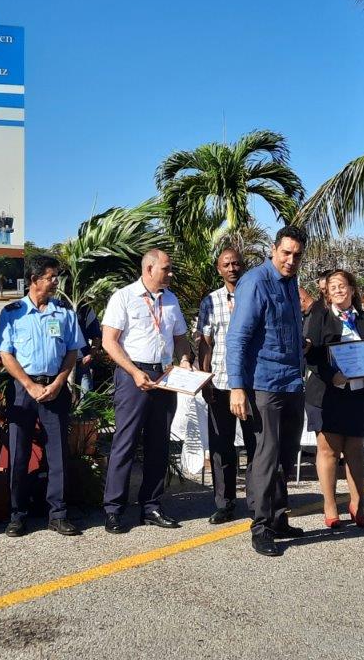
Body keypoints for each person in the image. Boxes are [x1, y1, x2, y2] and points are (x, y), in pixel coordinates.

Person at [225, 226, 308, 557]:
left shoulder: (291, 285)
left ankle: (277, 517)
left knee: (285, 456)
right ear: (274, 250)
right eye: (285, 253)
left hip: (292, 383)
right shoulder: (256, 282)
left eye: (297, 255)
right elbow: (238, 337)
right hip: (264, 384)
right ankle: (260, 527)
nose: (290, 260)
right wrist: (236, 387)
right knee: (265, 455)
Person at [100, 249, 192, 534]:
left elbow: (180, 338)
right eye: (166, 268)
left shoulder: (171, 299)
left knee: (159, 444)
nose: (171, 273)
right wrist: (134, 371)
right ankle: (114, 509)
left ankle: (151, 505)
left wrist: (186, 360)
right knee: (125, 443)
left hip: (164, 375)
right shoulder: (124, 297)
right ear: (149, 269)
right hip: (133, 375)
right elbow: (109, 341)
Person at [0, 254, 84, 537]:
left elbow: (72, 352)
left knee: (57, 455)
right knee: (18, 455)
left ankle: (57, 514)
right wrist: (28, 384)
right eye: (50, 277)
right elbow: (5, 353)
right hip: (23, 390)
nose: (56, 282)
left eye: (56, 276)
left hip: (55, 389)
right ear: (34, 280)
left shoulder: (64, 313)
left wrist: (58, 382)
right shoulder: (13, 312)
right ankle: (17, 515)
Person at [304, 269, 364, 529]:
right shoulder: (319, 316)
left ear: (353, 290)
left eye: (342, 285)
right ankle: (330, 505)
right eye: (332, 286)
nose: (337, 290)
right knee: (329, 451)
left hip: (358, 394)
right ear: (326, 291)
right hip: (326, 392)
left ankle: (358, 505)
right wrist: (331, 375)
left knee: (355, 451)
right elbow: (311, 356)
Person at [196, 247, 255, 524]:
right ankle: (225, 503)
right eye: (226, 265)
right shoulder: (210, 301)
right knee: (222, 446)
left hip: (252, 382)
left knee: (257, 444)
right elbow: (205, 343)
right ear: (219, 269)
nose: (232, 268)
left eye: (236, 263)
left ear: (243, 266)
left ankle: (257, 502)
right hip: (220, 383)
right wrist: (204, 378)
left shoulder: (255, 295)